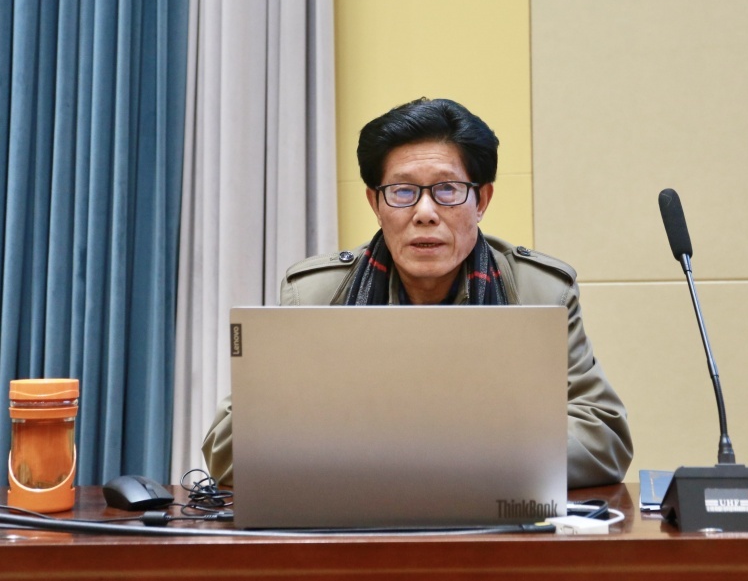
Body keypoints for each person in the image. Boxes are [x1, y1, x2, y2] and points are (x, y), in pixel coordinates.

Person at [202, 98, 633, 489]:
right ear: (375, 204)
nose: (425, 213)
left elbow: (603, 436)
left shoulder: (541, 293)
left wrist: (410, 451)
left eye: (447, 190)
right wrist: (449, 449)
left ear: (481, 200)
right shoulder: (315, 295)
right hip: (358, 524)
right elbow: (229, 445)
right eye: (403, 192)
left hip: (497, 520)